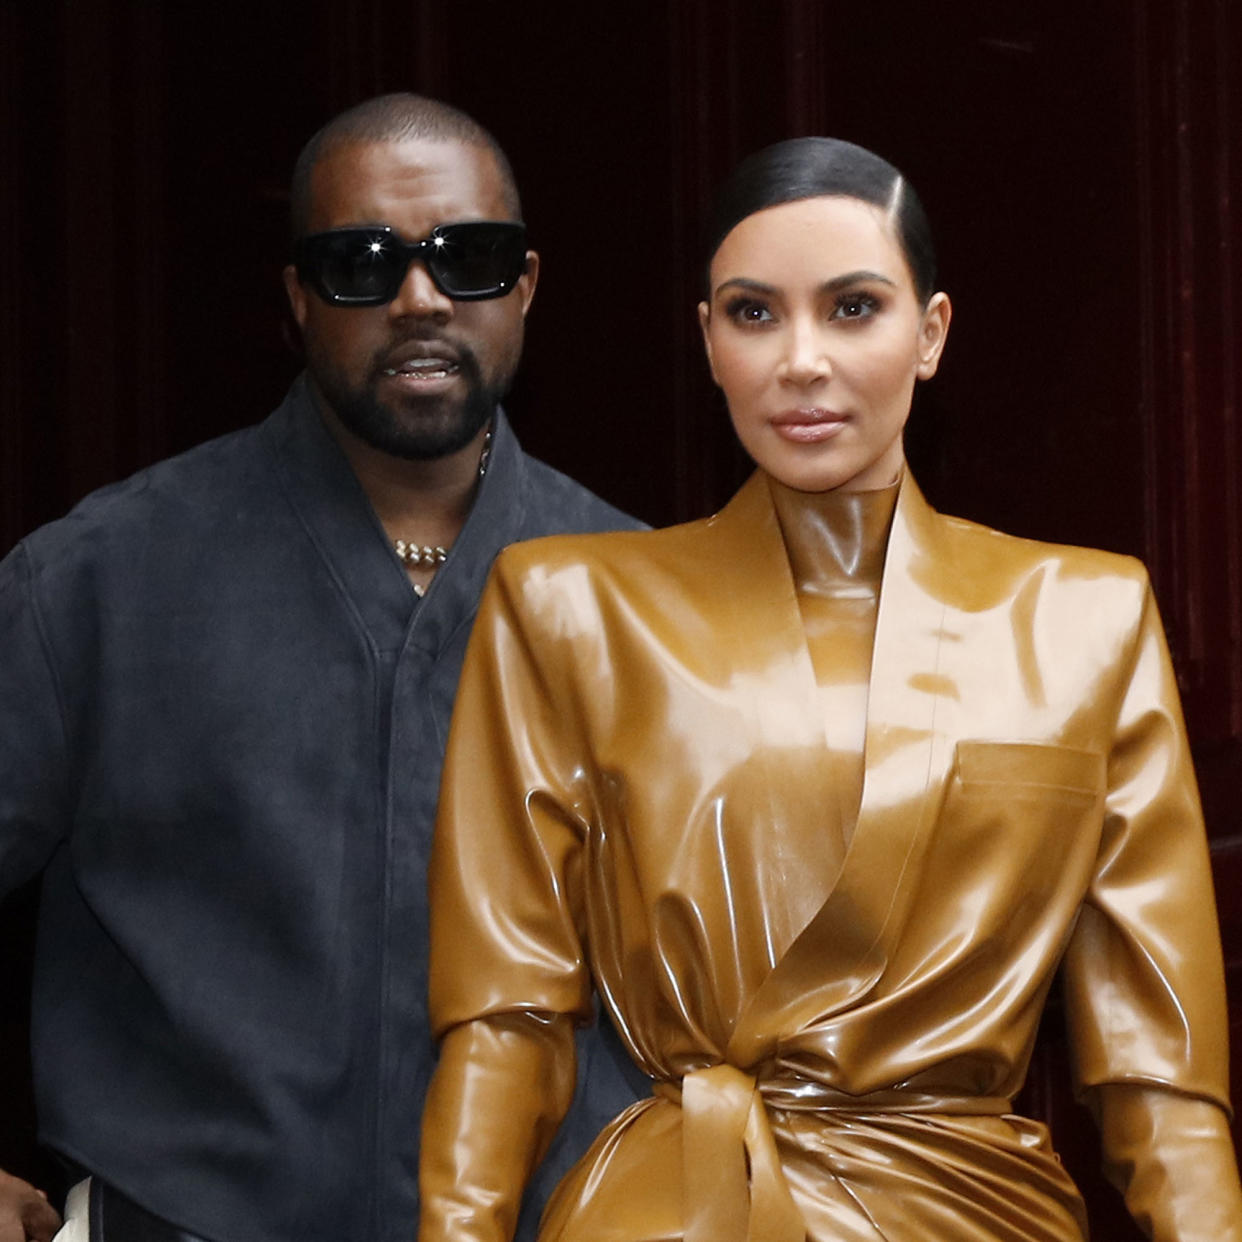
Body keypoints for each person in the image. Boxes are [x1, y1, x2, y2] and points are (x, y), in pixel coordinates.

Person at [417, 137, 1242, 1242]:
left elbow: (1157, 1063)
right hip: (678, 1215)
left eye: (853, 308)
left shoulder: (1086, 618)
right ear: (709, 341)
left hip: (976, 1217)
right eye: (755, 314)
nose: (801, 360)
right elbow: (503, 1018)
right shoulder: (572, 609)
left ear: (932, 333)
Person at [0, 93, 642, 1242]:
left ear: (527, 286)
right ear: (296, 300)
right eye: (362, 263)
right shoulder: (98, 583)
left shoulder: (647, 602)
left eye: (470, 259)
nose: (421, 300)